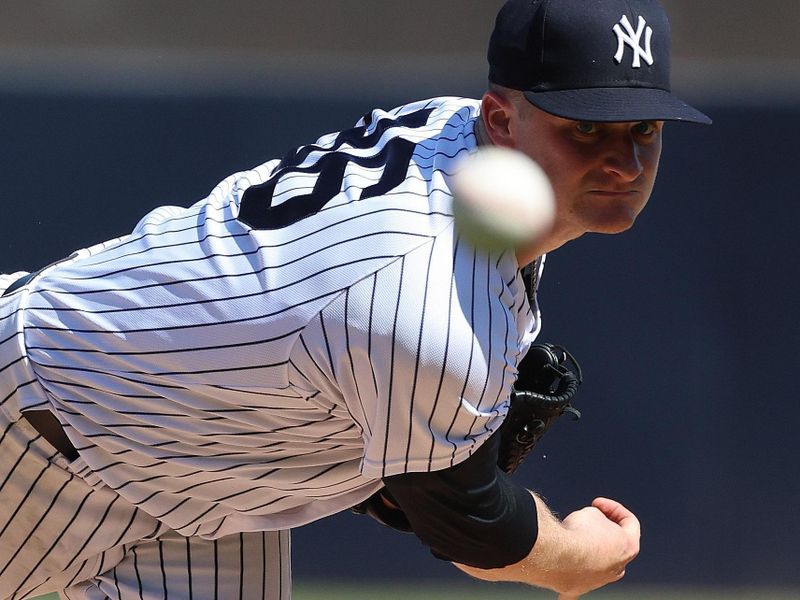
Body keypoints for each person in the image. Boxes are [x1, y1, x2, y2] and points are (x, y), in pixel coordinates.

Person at [0, 0, 710, 598]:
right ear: (502, 121)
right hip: (35, 434)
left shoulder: (459, 137)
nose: (624, 161)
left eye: (643, 128)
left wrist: (393, 437)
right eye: (586, 128)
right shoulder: (429, 298)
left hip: (196, 483)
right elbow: (470, 528)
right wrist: (578, 556)